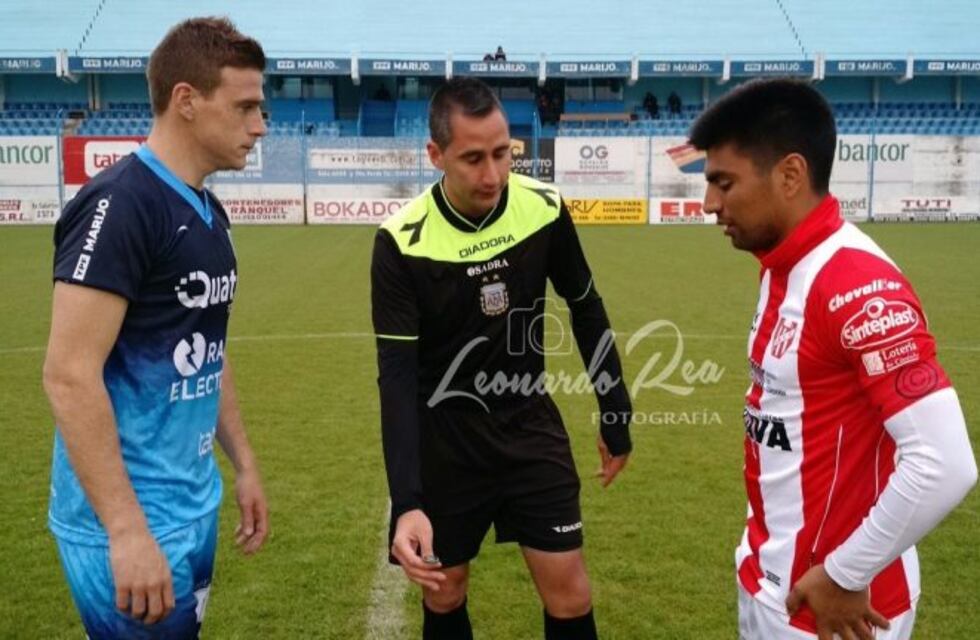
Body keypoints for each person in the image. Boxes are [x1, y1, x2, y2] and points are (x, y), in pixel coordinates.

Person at [690, 78, 977, 640]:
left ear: (790, 175)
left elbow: (944, 462)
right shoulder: (783, 266)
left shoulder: (856, 283)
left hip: (832, 610)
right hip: (773, 579)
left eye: (724, 183)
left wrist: (845, 574)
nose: (709, 204)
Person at [371, 77, 632, 639]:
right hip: (446, 439)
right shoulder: (400, 242)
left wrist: (616, 408)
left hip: (528, 426)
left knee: (571, 590)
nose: (492, 174)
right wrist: (407, 500)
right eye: (472, 159)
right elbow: (395, 378)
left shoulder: (543, 209)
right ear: (435, 155)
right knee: (446, 590)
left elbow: (586, 309)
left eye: (502, 154)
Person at [43, 17, 270, 638]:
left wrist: (243, 464)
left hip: (192, 504)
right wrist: (125, 529)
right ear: (187, 101)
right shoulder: (120, 204)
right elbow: (67, 375)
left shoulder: (206, 208)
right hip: (129, 522)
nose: (260, 125)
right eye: (246, 106)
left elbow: (204, 352)